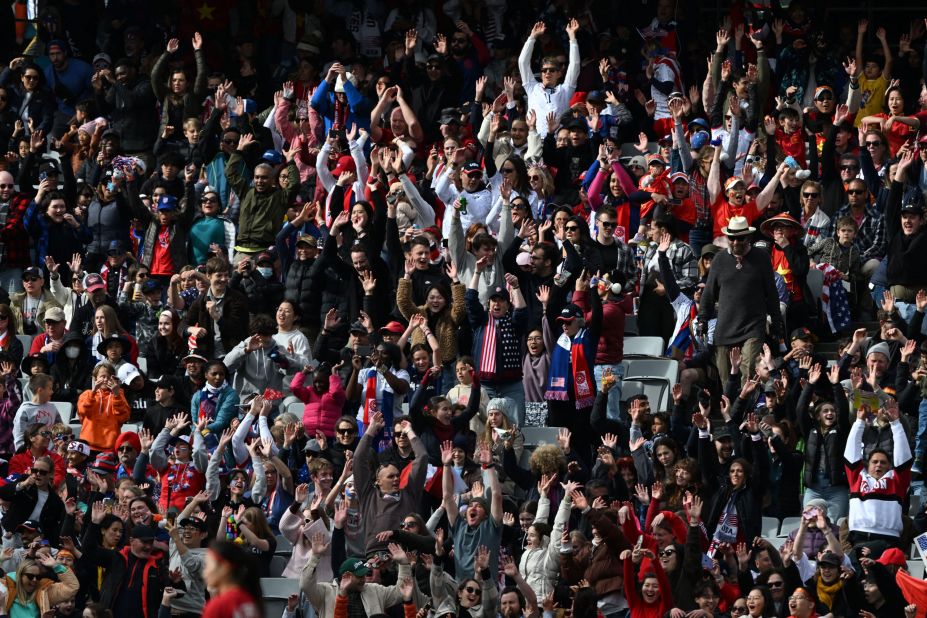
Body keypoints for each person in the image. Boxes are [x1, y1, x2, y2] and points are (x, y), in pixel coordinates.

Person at [698, 216, 785, 381]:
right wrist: (702, 319)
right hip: (725, 326)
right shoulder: (719, 259)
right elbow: (708, 293)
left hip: (752, 326)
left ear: (749, 237)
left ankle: (747, 405)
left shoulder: (761, 258)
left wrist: (776, 322)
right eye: (732, 238)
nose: (736, 242)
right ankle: (730, 406)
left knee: (749, 367)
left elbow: (772, 294)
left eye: (740, 238)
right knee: (724, 376)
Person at [844, 398, 911, 548]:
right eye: (874, 462)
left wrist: (895, 424)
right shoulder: (858, 478)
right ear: (867, 466)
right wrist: (859, 422)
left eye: (883, 462)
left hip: (888, 540)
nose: (878, 465)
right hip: (859, 537)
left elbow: (904, 458)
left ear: (890, 467)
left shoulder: (896, 481)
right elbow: (850, 454)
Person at [201, 540, 264, 618]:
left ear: (224, 567)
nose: (204, 573)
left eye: (207, 566)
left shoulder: (218, 606)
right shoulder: (249, 600)